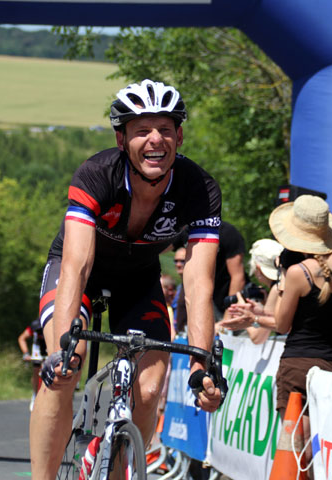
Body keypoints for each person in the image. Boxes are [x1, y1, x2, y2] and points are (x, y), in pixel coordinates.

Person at [29, 79, 224, 479]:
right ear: (122, 140)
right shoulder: (96, 174)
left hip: (138, 281)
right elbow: (77, 267)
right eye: (142, 131)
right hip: (80, 275)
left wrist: (201, 366)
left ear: (180, 135)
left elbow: (199, 284)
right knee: (65, 372)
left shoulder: (199, 188)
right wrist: (62, 346)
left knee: (151, 389)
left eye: (166, 129)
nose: (156, 140)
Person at [268, 195, 332, 474]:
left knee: (295, 450)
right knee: (325, 446)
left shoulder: (298, 273)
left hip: (297, 365)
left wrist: (281, 284)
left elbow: (282, 325)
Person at [218, 238, 284, 344]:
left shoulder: (277, 289)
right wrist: (263, 310)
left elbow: (257, 338)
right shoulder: (284, 284)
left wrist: (244, 315)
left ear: (258, 268)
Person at [18, 318, 47, 411]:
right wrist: (26, 353)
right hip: (37, 349)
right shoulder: (34, 325)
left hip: (50, 348)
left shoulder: (54, 323)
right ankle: (35, 395)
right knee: (36, 370)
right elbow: (22, 338)